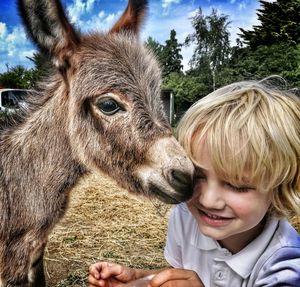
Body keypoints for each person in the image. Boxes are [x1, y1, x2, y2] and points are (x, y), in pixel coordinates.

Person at [88, 78, 300, 287]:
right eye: (196, 175)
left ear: (280, 188)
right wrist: (139, 278)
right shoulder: (185, 217)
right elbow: (181, 275)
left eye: (237, 186)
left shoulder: (286, 266)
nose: (208, 200)